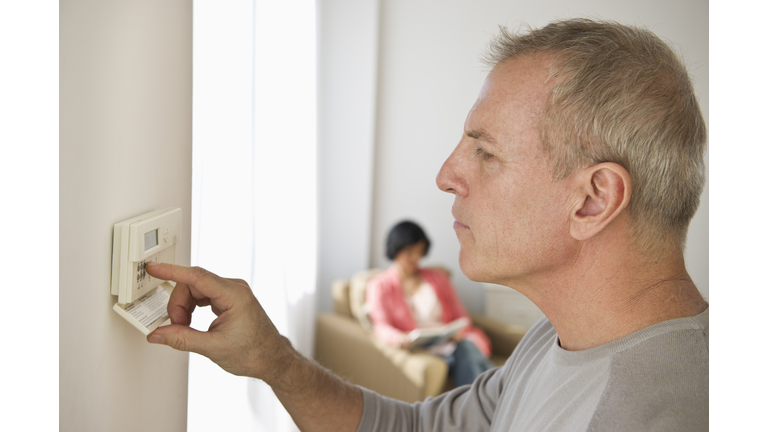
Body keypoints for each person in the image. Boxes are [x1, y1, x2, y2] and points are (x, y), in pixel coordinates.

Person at [145, 18, 708, 432]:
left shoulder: (649, 414)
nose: (445, 176)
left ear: (592, 200)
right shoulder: (561, 337)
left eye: (486, 153)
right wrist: (273, 361)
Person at [366, 220, 494, 387]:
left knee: (466, 349)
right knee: (469, 354)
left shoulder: (438, 277)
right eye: (410, 252)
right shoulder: (379, 285)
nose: (416, 258)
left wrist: (458, 331)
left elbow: (461, 315)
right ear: (395, 249)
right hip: (421, 348)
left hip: (450, 343)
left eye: (420, 252)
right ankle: (499, 394)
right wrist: (399, 338)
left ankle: (488, 400)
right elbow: (380, 326)